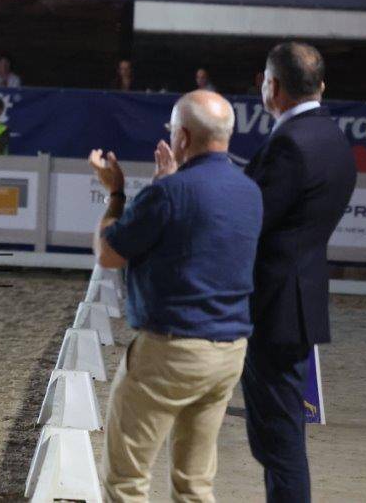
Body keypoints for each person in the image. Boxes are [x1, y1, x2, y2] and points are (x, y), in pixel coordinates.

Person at [89, 90, 263, 502]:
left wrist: (115, 194)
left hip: (171, 351)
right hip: (228, 351)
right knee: (195, 483)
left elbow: (108, 253)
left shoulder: (169, 194)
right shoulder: (249, 191)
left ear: (182, 137)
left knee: (126, 480)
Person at [241, 42, 357, 502]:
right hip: (299, 301)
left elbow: (250, 219)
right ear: (320, 85)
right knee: (281, 437)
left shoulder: (289, 144)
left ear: (272, 87)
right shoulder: (332, 137)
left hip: (274, 308)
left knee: (279, 442)